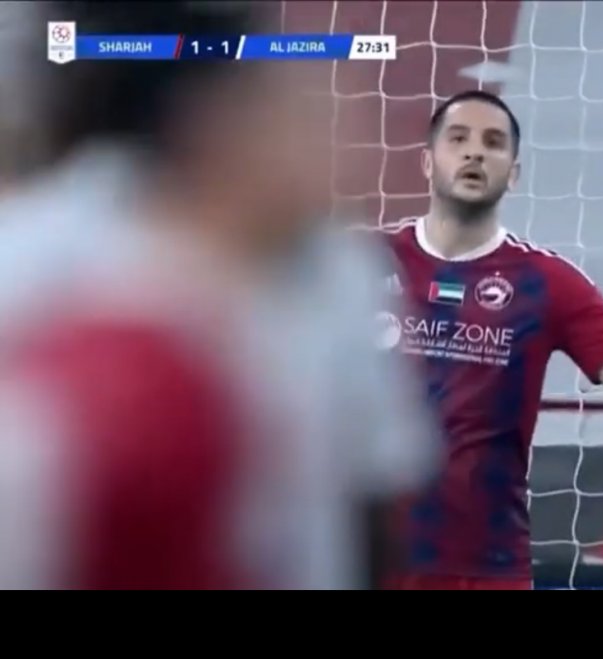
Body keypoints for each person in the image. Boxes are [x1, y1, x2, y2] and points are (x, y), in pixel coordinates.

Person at [0, 1, 437, 589]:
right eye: (293, 113)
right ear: (215, 120)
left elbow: (374, 494)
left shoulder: (340, 272)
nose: (331, 140)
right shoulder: (37, 256)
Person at [375, 89, 603, 590]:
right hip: (362, 563)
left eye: (493, 143)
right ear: (427, 162)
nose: (475, 153)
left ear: (513, 173)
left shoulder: (547, 283)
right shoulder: (359, 262)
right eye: (459, 139)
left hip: (487, 570)